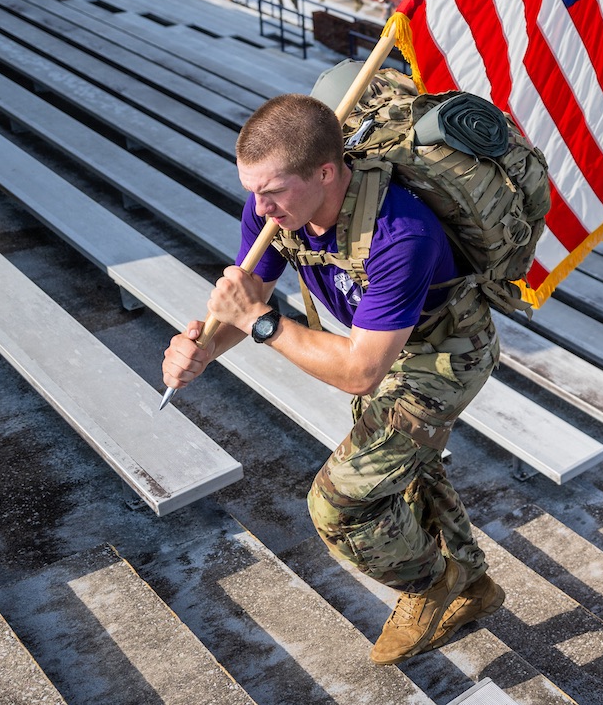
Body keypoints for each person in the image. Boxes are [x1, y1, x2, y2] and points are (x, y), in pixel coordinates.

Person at [160, 93, 505, 665]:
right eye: (251, 190)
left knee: (342, 505)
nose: (259, 206)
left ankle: (434, 585)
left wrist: (260, 322)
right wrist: (202, 352)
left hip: (444, 351)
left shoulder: (402, 231)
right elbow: (250, 299)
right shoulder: (273, 206)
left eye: (271, 191)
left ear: (325, 172)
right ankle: (471, 587)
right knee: (402, 467)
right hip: (369, 339)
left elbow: (359, 373)